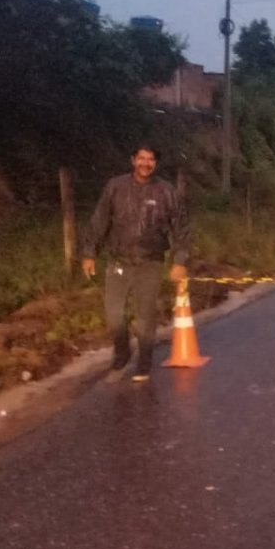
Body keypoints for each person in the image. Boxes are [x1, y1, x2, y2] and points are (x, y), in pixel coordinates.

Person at [81, 145, 191, 383]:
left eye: (151, 159)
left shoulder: (166, 191)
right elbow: (99, 220)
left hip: (149, 263)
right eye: (141, 158)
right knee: (114, 316)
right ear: (133, 160)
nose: (146, 163)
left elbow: (181, 227)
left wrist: (179, 261)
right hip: (118, 262)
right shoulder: (116, 187)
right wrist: (90, 253)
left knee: (145, 316)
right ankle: (122, 354)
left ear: (156, 164)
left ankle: (144, 362)